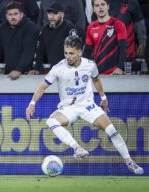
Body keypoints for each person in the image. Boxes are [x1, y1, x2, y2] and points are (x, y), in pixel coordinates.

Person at [26, 34, 144, 175]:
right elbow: (42, 86)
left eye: (71, 53)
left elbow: (96, 80)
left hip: (88, 106)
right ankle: (78, 148)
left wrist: (103, 98)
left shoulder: (90, 65)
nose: (68, 56)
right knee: (51, 121)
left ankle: (129, 162)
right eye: (65, 53)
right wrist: (32, 103)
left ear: (79, 52)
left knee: (112, 130)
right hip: (68, 108)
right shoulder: (58, 68)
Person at [0, 1, 38, 80]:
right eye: (10, 14)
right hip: (9, 72)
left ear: (21, 15)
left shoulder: (31, 28)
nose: (13, 17)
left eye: (15, 14)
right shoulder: (1, 28)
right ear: (6, 16)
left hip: (28, 73)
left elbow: (28, 52)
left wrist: (19, 70)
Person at [33, 2, 81, 74]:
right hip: (52, 70)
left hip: (68, 70)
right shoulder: (45, 30)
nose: (52, 16)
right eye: (49, 13)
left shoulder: (70, 28)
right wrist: (36, 68)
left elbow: (74, 51)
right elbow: (40, 51)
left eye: (55, 13)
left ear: (62, 14)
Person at [83, 0, 127, 75]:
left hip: (114, 73)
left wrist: (120, 67)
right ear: (93, 9)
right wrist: (82, 69)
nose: (100, 7)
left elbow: (123, 48)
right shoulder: (91, 27)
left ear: (108, 6)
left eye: (103, 4)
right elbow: (87, 51)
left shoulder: (118, 24)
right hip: (97, 73)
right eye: (97, 5)